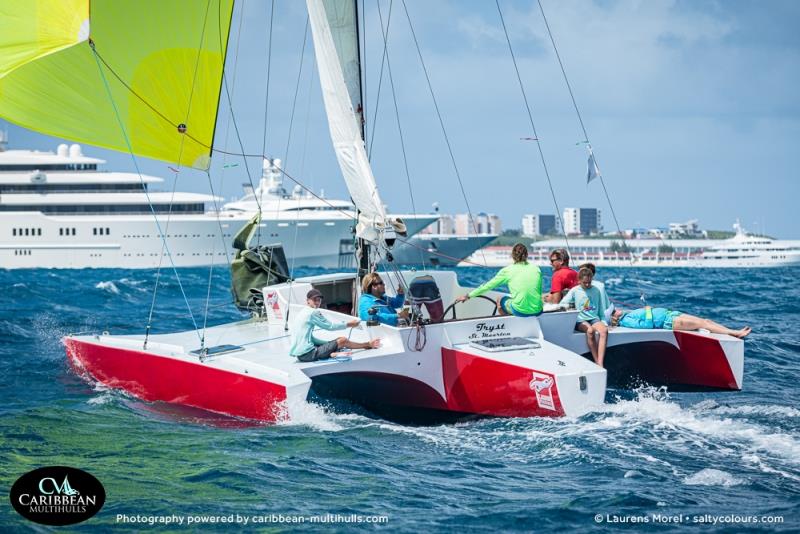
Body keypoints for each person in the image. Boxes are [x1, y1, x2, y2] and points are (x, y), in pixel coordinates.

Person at [290, 289, 380, 362]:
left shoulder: (303, 311)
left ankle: (331, 353)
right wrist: (349, 324)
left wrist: (329, 344)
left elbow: (311, 339)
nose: (317, 302)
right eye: (314, 300)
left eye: (319, 300)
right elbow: (330, 326)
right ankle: (367, 345)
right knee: (343, 340)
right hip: (309, 354)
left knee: (337, 341)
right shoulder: (313, 312)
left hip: (300, 356)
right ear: (308, 301)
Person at [455, 243, 542, 316]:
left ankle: (509, 326)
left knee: (500, 300)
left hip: (520, 311)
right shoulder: (536, 268)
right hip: (538, 311)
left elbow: (487, 286)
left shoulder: (507, 270)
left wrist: (468, 296)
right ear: (527, 255)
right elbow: (537, 291)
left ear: (512, 256)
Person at [561, 267, 609, 367]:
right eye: (584, 283)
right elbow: (563, 303)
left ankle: (600, 362)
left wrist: (603, 321)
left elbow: (600, 308)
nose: (587, 285)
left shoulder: (596, 290)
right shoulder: (575, 290)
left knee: (604, 331)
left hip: (593, 318)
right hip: (580, 319)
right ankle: (597, 361)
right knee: (590, 331)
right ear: (579, 281)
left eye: (589, 282)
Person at [611, 307, 751, 338]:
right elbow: (647, 325)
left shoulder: (627, 314)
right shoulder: (626, 321)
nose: (616, 309)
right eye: (614, 311)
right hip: (668, 321)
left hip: (671, 314)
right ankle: (735, 333)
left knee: (705, 320)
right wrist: (648, 310)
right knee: (704, 324)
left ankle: (732, 330)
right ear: (614, 318)